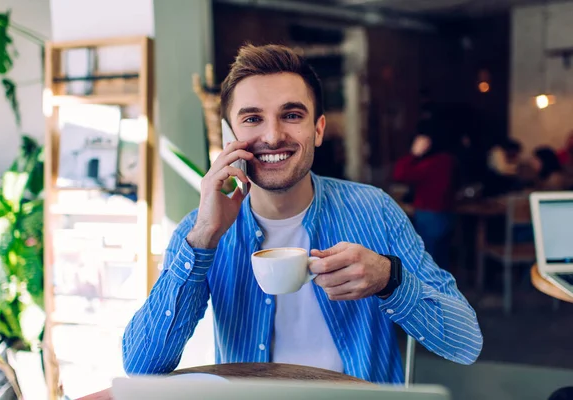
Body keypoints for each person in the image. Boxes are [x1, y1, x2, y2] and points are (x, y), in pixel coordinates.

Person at [122, 44, 482, 384]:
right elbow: (141, 366)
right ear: (230, 134)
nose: (273, 135)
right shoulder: (200, 229)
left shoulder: (375, 210)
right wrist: (203, 237)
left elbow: (465, 343)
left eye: (292, 115)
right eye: (252, 119)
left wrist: (391, 279)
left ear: (318, 129)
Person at [392, 121, 459, 271]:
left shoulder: (432, 163)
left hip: (430, 216)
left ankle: (433, 293)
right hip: (447, 214)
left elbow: (400, 174)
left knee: (428, 263)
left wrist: (414, 154)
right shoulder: (449, 160)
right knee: (441, 259)